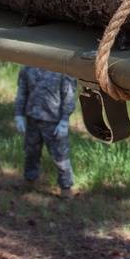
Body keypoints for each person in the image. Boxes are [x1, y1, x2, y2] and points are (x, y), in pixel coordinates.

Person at [13, 66, 78, 200]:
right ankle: (30, 179)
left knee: (60, 155)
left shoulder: (61, 68)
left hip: (53, 121)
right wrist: (18, 114)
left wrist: (65, 120)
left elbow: (69, 94)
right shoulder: (28, 67)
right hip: (32, 118)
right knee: (31, 152)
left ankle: (66, 187)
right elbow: (22, 91)